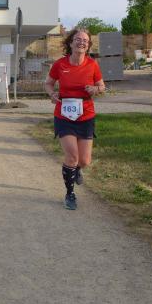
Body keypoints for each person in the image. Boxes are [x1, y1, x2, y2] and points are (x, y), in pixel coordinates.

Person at [44, 28, 105, 210]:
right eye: (78, 39)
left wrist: (95, 89)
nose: (81, 42)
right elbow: (48, 83)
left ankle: (77, 169)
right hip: (64, 115)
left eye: (85, 40)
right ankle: (70, 194)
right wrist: (52, 94)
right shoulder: (60, 64)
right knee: (72, 156)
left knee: (84, 161)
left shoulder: (92, 65)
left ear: (88, 45)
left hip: (86, 115)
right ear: (70, 43)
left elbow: (102, 86)